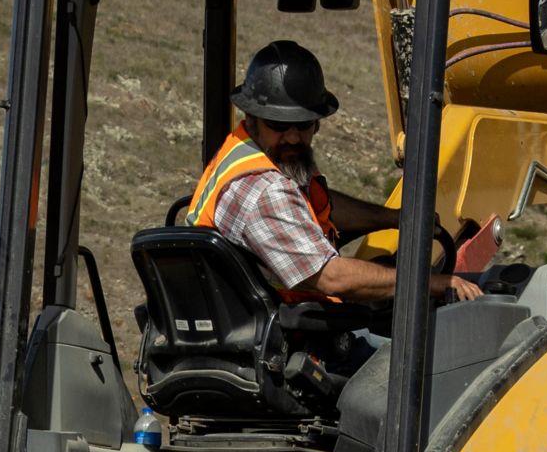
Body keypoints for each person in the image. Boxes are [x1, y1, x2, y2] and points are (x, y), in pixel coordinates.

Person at [189, 40, 480, 305]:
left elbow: (315, 208)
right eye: (278, 125)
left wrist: (396, 218)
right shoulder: (264, 189)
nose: (292, 137)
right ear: (251, 118)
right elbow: (332, 277)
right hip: (288, 339)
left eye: (303, 125)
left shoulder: (258, 154)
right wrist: (430, 283)